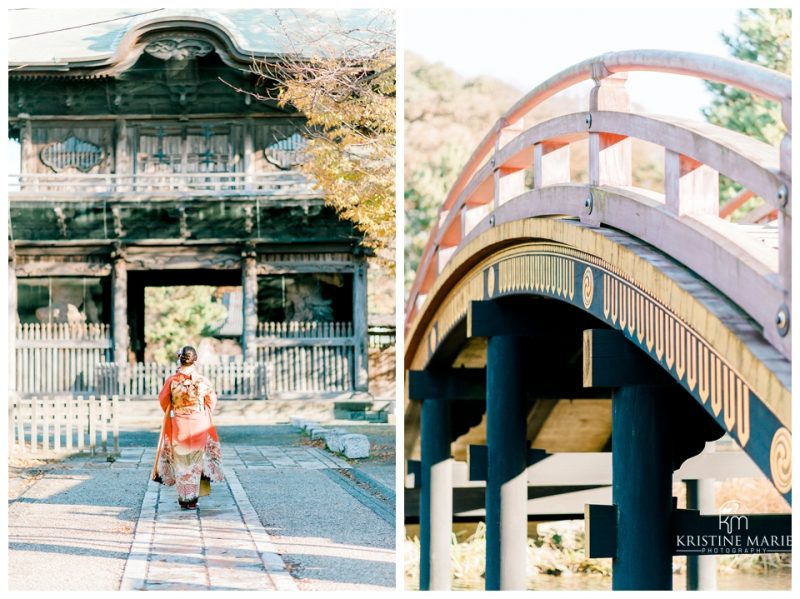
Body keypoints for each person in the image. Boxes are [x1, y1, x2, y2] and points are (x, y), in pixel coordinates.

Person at [152, 346, 224, 509]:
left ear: (180, 359)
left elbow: (163, 401)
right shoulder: (202, 381)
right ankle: (193, 499)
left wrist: (177, 411)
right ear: (195, 360)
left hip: (179, 423)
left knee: (181, 461)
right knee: (196, 461)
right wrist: (200, 412)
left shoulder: (172, 381)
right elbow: (211, 401)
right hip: (199, 422)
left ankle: (184, 497)